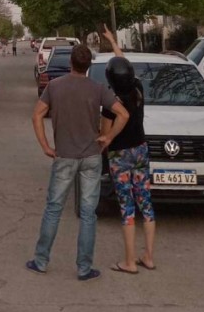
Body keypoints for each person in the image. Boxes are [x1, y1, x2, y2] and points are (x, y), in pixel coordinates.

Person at [27, 43, 129, 281]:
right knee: (88, 213)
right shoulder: (98, 88)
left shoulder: (54, 87)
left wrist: (45, 146)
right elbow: (123, 114)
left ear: (70, 62)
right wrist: (108, 137)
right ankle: (84, 267)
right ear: (88, 66)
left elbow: (37, 115)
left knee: (53, 209)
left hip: (64, 156)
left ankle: (41, 260)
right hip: (91, 157)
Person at [102, 26, 156, 274]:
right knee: (146, 204)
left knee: (127, 208)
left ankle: (129, 261)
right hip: (141, 150)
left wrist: (104, 140)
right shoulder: (138, 90)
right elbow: (123, 63)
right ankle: (149, 257)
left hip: (120, 155)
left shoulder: (111, 103)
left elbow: (105, 134)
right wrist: (113, 41)